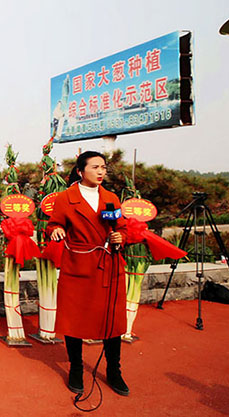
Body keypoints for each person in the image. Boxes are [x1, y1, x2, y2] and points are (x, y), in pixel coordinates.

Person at [46, 151, 130, 396]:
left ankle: (114, 370)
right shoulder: (66, 198)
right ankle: (76, 368)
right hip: (78, 265)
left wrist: (120, 237)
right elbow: (53, 224)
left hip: (109, 265)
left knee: (112, 319)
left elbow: (122, 227)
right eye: (95, 167)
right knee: (74, 320)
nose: (101, 171)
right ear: (80, 171)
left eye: (103, 167)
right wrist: (56, 230)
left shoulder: (111, 198)